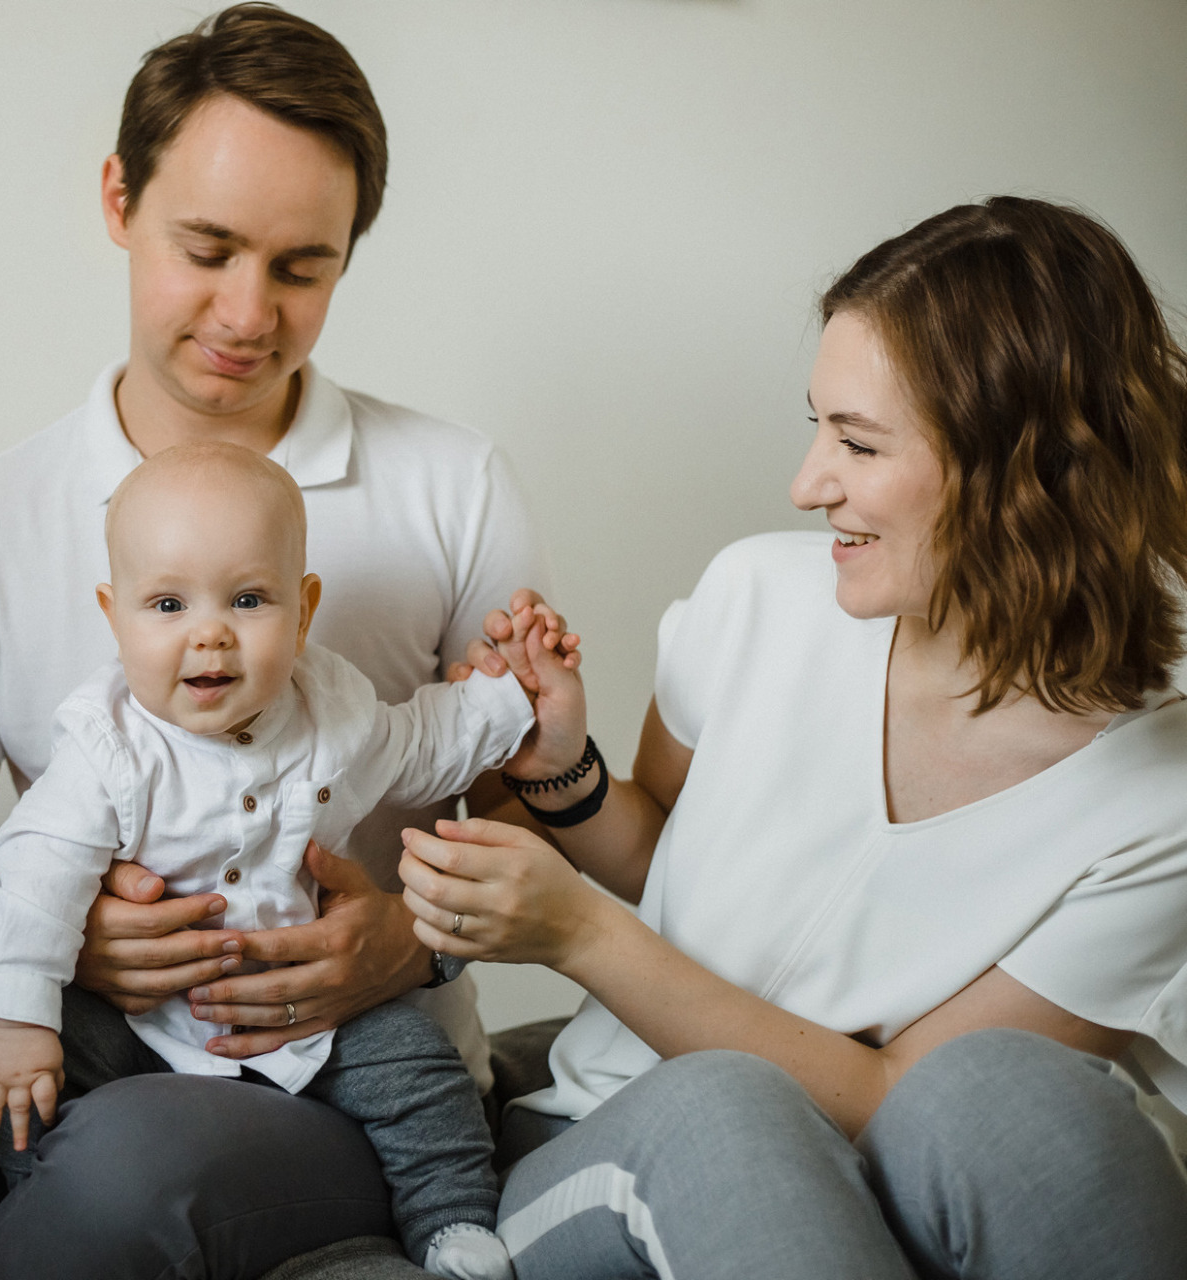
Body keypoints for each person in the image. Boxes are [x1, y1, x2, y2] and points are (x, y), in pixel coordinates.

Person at [0, 7, 544, 1278]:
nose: (245, 311)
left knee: (126, 1166)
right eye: (204, 247)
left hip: (332, 1075)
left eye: (301, 267)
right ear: (119, 198)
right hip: (87, 1028)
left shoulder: (449, 484)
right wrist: (63, 924)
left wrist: (406, 943)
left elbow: (514, 807)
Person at [405, 195, 1187, 1279]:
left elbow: (902, 1100)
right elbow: (662, 850)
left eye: (857, 442)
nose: (808, 482)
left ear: (1025, 478)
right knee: (728, 1109)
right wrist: (563, 775)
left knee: (1028, 1105)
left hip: (879, 1163)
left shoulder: (1158, 801)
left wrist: (579, 933)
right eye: (816, 423)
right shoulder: (759, 592)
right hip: (618, 1132)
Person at [0, 443, 578, 1279]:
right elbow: (35, 879)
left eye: (249, 599)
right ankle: (46, 1209)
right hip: (146, 1018)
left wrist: (513, 692)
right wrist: (13, 1025)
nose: (210, 633)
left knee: (420, 1070)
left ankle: (453, 1226)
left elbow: (427, 743)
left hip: (315, 1015)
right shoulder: (106, 744)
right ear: (114, 617)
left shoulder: (333, 713)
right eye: (168, 604)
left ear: (302, 611)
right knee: (41, 1076)